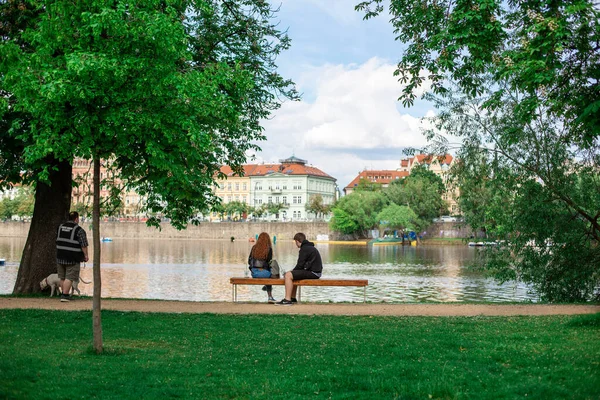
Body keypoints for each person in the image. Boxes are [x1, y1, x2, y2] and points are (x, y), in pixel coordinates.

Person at [276, 232, 322, 306]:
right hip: (315, 271)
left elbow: (300, 265)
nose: (295, 244)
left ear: (297, 241)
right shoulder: (309, 247)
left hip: (313, 272)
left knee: (288, 275)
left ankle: (287, 300)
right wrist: (293, 271)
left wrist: (290, 272)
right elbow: (301, 266)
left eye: (295, 242)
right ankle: (292, 298)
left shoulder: (304, 249)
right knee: (293, 275)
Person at [56, 211, 89, 302]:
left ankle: (63, 293)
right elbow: (84, 245)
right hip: (72, 258)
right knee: (70, 277)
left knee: (62, 277)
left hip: (60, 256)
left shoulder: (60, 227)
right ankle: (65, 295)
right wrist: (86, 255)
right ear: (76, 219)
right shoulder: (79, 230)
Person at [248, 232, 278, 303]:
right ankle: (270, 297)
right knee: (273, 275)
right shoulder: (268, 249)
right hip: (264, 273)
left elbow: (249, 261)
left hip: (254, 273)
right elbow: (269, 263)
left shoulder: (254, 248)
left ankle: (266, 286)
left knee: (269, 275)